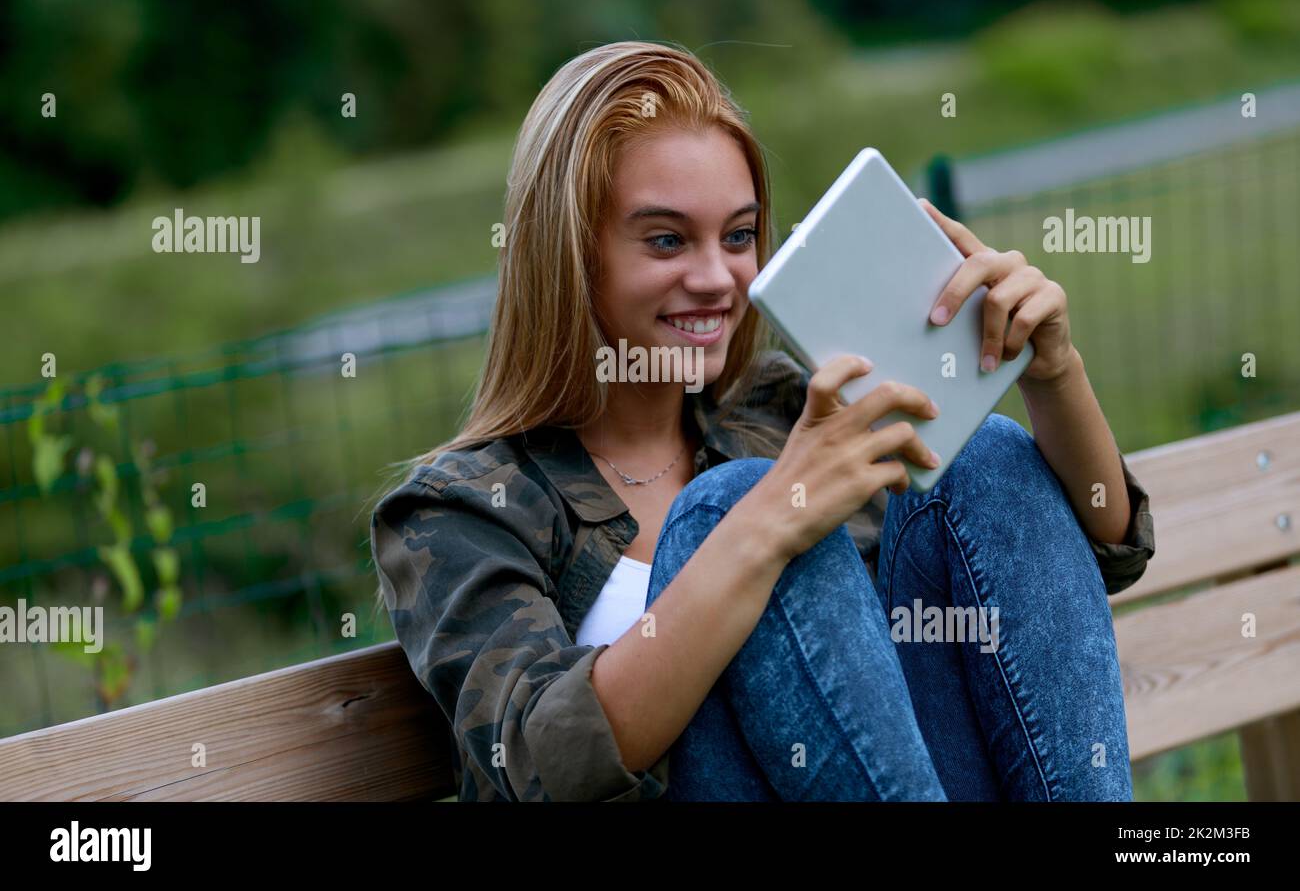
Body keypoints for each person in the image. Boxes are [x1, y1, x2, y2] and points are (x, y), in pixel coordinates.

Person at [369, 40, 1155, 802]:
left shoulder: (780, 409)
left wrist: (1051, 376)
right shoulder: (461, 508)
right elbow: (539, 764)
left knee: (983, 454)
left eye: (739, 235)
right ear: (569, 253)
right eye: (667, 239)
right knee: (728, 507)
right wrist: (771, 517)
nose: (717, 279)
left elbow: (1087, 562)